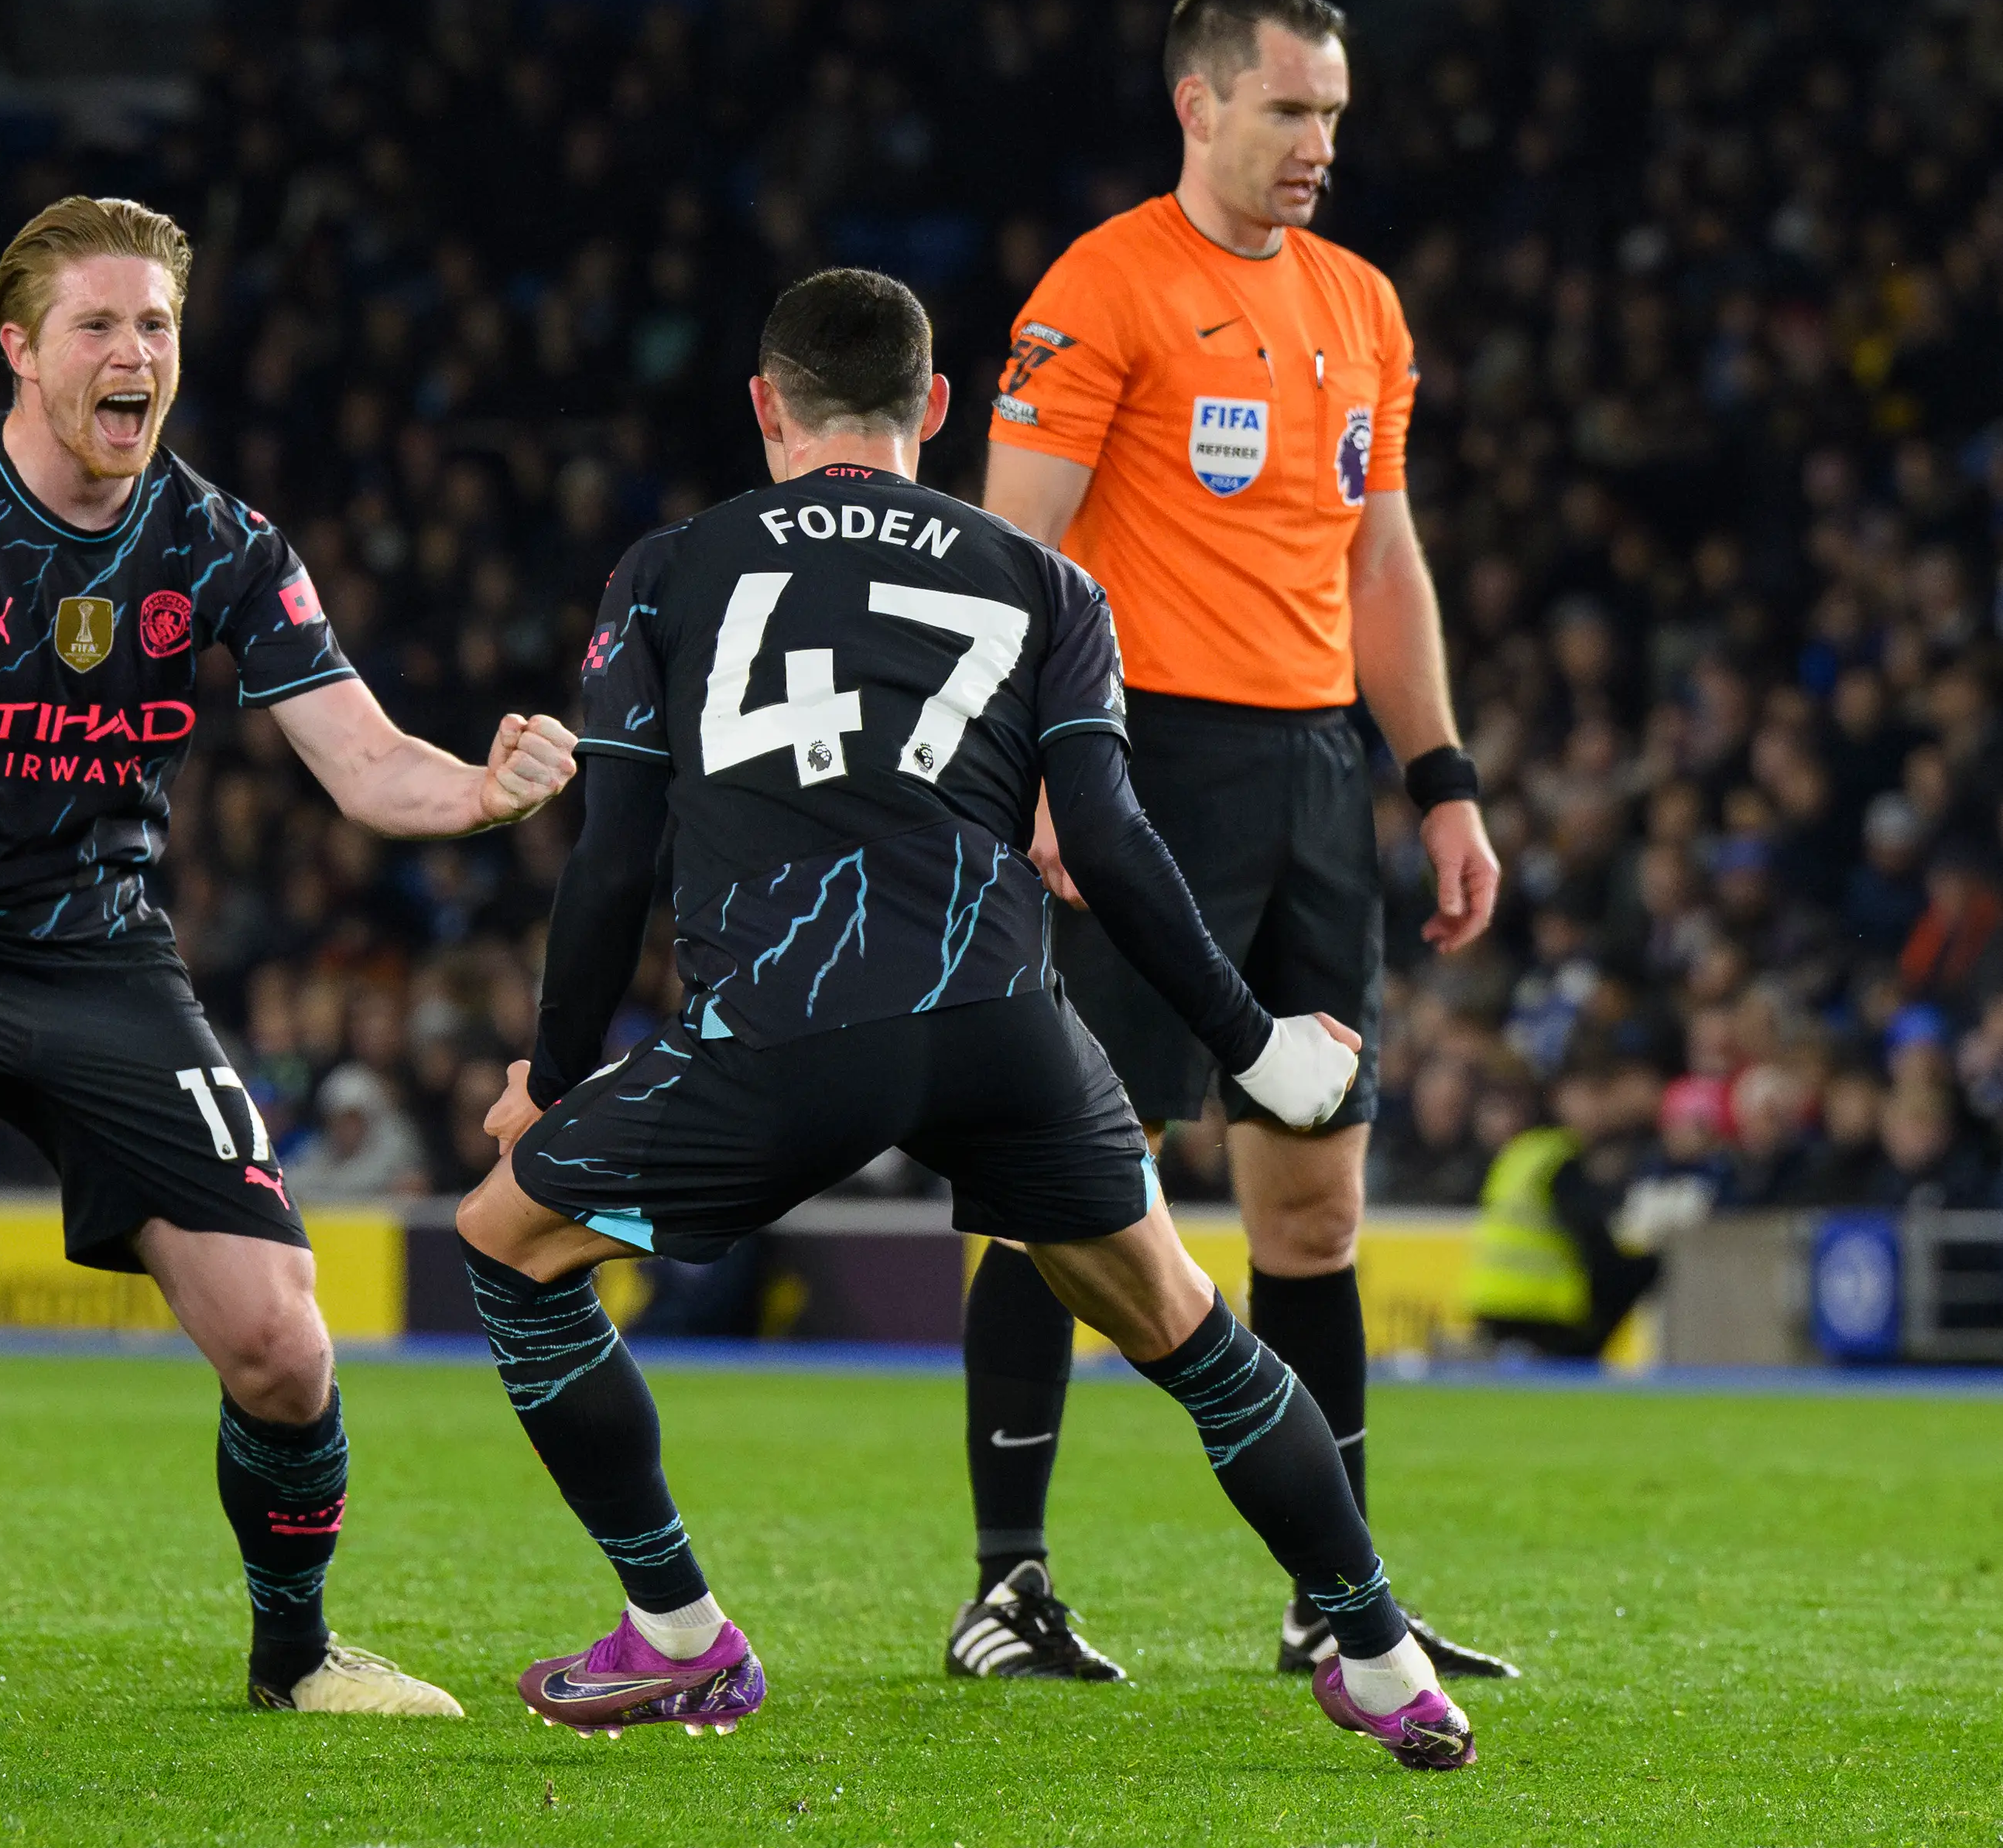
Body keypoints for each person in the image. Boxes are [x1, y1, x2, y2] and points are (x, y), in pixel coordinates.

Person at [454, 269, 1479, 1771]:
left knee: (505, 1245)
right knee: (1189, 1325)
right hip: (1004, 1021)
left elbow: (613, 857)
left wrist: (551, 1074)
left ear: (765, 406)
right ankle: (1380, 1651)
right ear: (936, 408)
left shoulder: (668, 570)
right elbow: (1115, 846)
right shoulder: (1045, 581)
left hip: (784, 1023)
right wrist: (1252, 1036)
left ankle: (678, 1631)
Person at [0, 196, 576, 1725]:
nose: (133, 354)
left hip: (99, 956)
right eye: (98, 324)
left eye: (155, 325)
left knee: (284, 1345)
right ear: (21, 348)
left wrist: (480, 791)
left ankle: (295, 1655)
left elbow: (365, 762)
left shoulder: (223, 543)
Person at [960, 0, 1515, 1684]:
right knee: (1070, 1177)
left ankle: (1330, 1594)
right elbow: (1016, 556)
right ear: (1198, 102)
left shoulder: (1361, 304)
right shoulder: (1104, 286)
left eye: (1333, 116)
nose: (1318, 146)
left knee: (1316, 1207)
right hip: (1138, 765)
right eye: (1290, 111)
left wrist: (1440, 779)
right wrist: (1044, 773)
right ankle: (1011, 1582)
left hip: (1311, 777)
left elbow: (1383, 557)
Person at [1467, 1052, 1709, 1360]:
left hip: (1492, 1300)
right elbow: (1591, 1236)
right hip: (1541, 1308)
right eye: (1589, 1094)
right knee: (1642, 1270)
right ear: (1560, 1097)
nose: (1597, 1108)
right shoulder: (1560, 1160)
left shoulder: (1521, 1153)